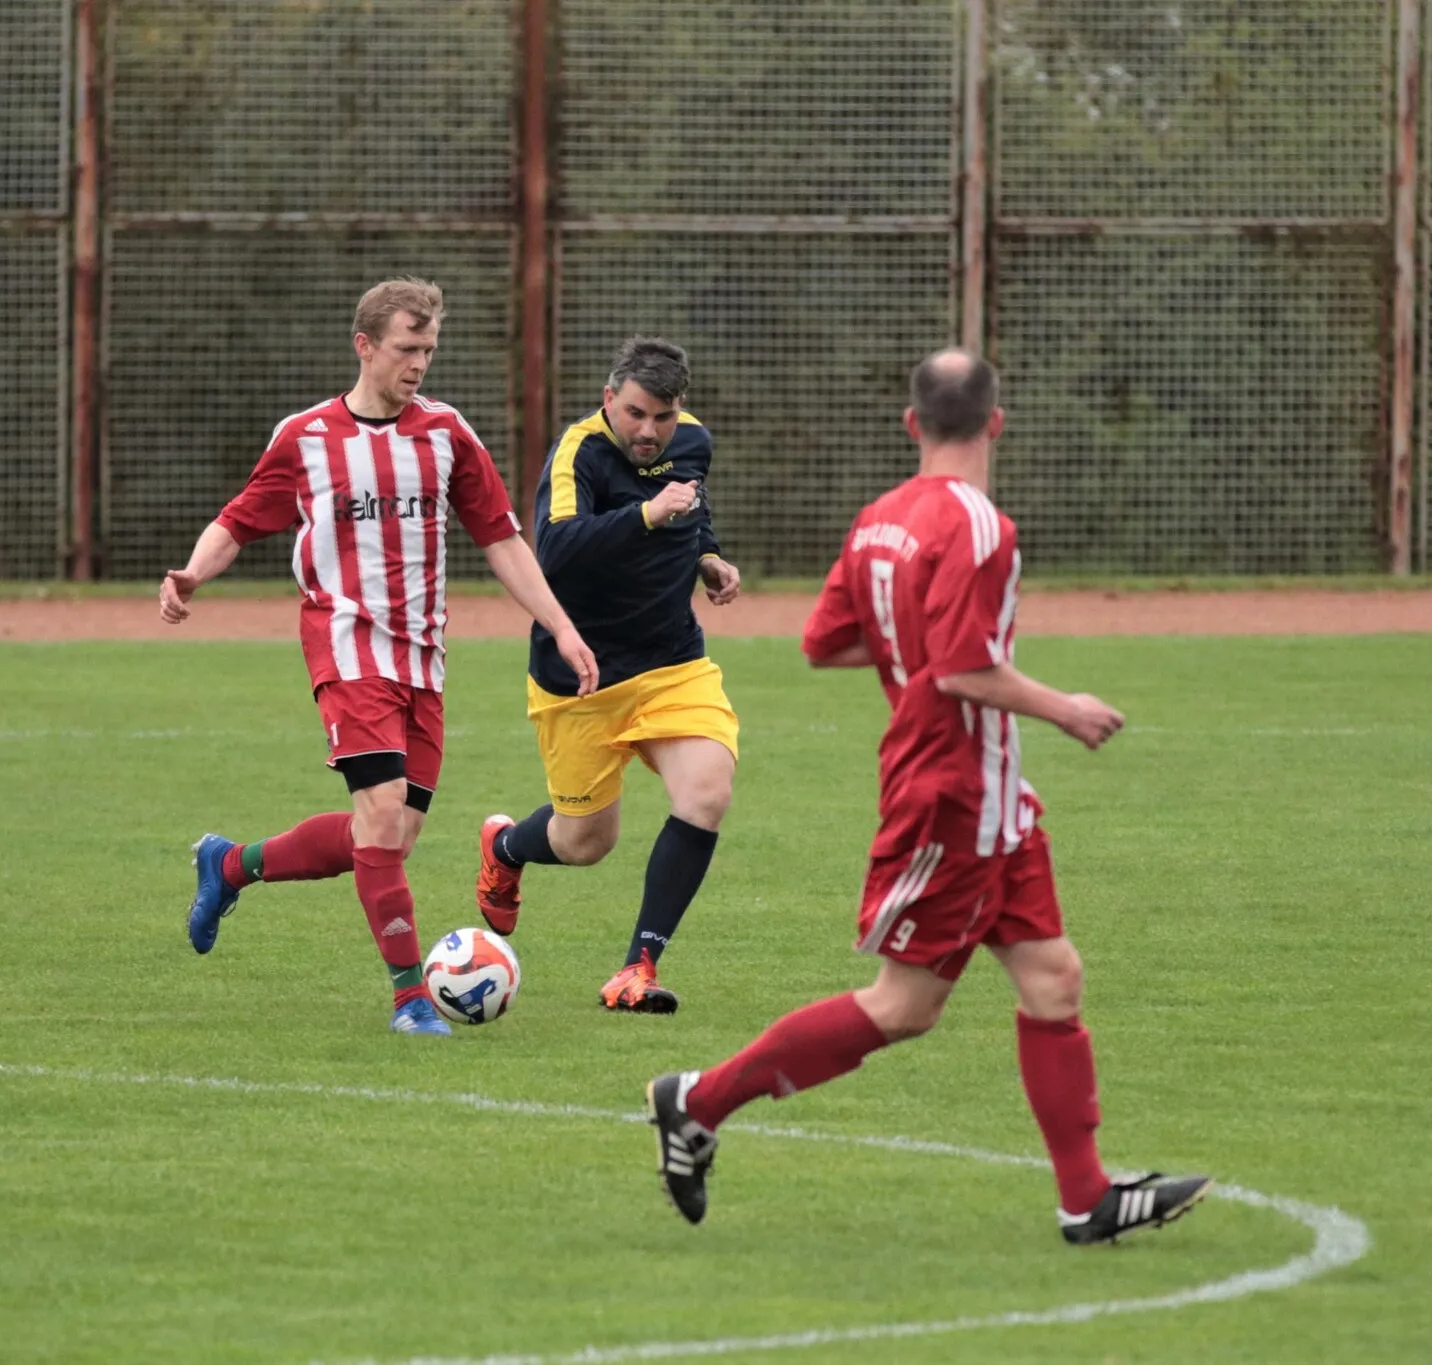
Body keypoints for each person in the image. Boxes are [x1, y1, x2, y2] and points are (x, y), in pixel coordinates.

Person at [643, 349, 1211, 1244]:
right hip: (949, 795)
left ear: (912, 423)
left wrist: (911, 647)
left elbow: (826, 642)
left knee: (1054, 977)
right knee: (904, 1005)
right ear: (997, 423)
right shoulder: (983, 527)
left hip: (993, 798)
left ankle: (1086, 1197)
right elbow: (961, 669)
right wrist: (1066, 707)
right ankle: (698, 1100)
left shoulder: (880, 520)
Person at [160, 277, 598, 1038]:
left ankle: (230, 865)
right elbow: (237, 521)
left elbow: (501, 539)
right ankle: (410, 999)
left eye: (429, 349)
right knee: (383, 811)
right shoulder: (306, 437)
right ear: (364, 346)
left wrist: (560, 625)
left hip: (423, 657)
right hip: (346, 647)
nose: (419, 363)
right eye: (406, 348)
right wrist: (194, 573)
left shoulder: (447, 433)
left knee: (389, 837)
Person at [474, 338, 743, 1013]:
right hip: (581, 678)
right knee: (585, 842)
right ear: (608, 399)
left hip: (673, 664)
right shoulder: (579, 453)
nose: (650, 430)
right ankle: (505, 846)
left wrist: (707, 556)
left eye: (663, 416)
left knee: (707, 792)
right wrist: (647, 515)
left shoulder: (693, 441)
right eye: (635, 413)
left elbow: (694, 509)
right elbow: (555, 549)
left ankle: (637, 969)